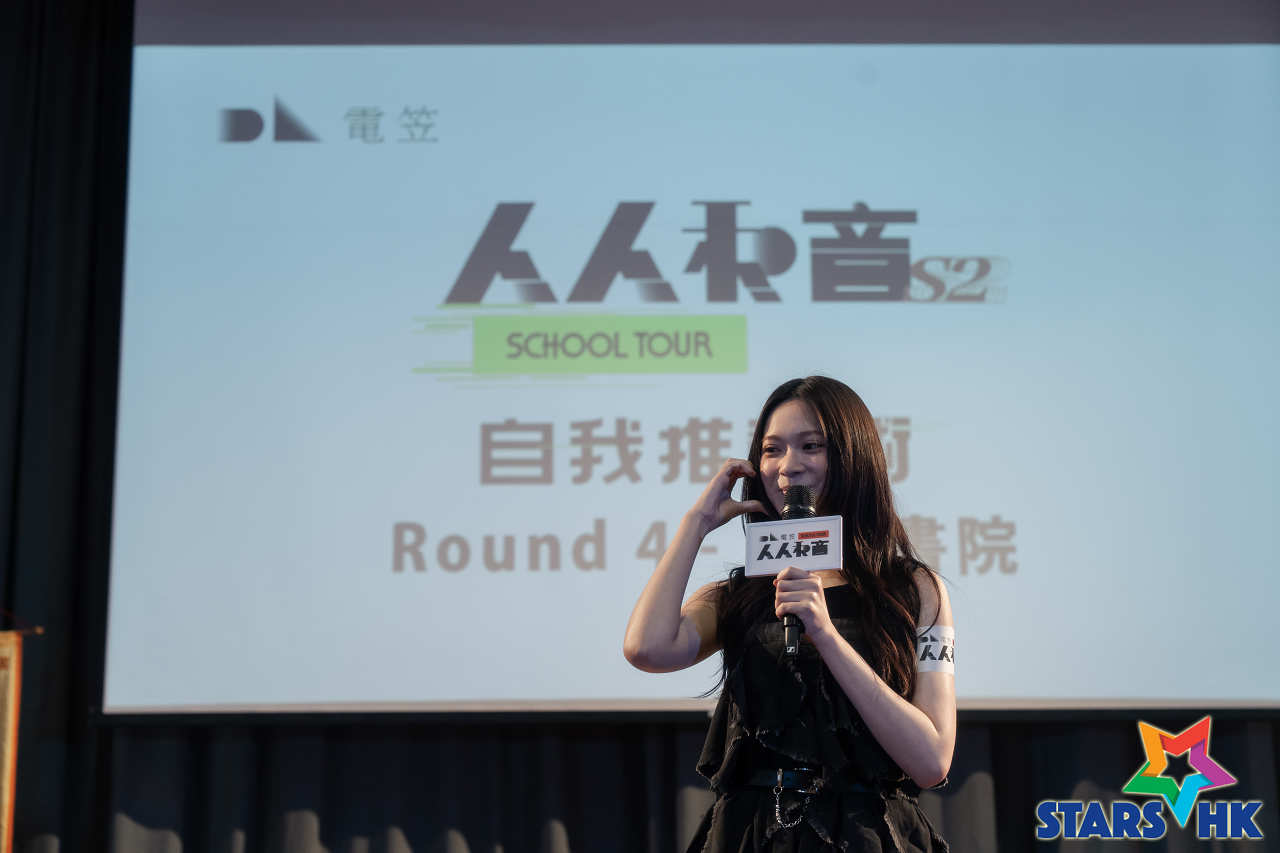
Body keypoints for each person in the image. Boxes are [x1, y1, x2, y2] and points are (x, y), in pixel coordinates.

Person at [623, 376, 954, 852]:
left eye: (811, 446)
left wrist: (826, 634)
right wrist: (695, 524)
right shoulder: (739, 595)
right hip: (756, 832)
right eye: (772, 450)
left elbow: (931, 761)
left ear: (854, 457)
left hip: (866, 833)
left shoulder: (913, 589)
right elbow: (647, 649)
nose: (788, 466)